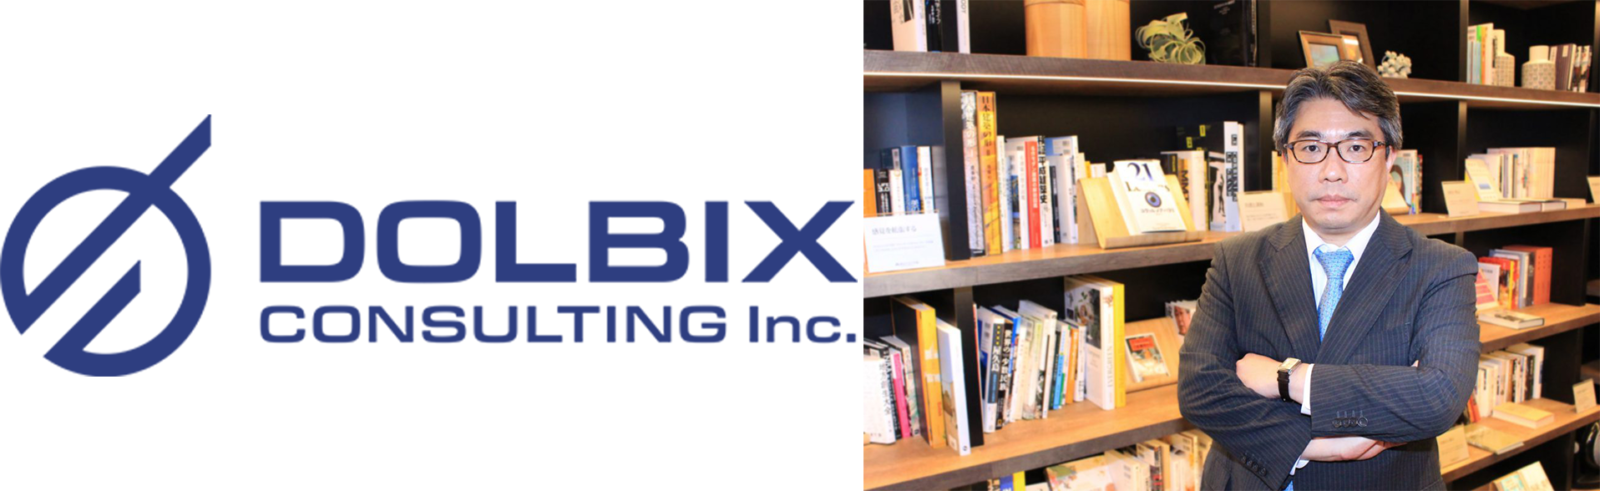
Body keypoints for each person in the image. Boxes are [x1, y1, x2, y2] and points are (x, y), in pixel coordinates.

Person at [1177, 61, 1480, 490]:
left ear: (1390, 157)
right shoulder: (1238, 259)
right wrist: (1313, 445)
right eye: (1311, 147)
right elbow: (1200, 390)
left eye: (1356, 147)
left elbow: (1437, 398)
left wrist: (1287, 379)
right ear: (1285, 158)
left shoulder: (1441, 268)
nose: (1332, 170)